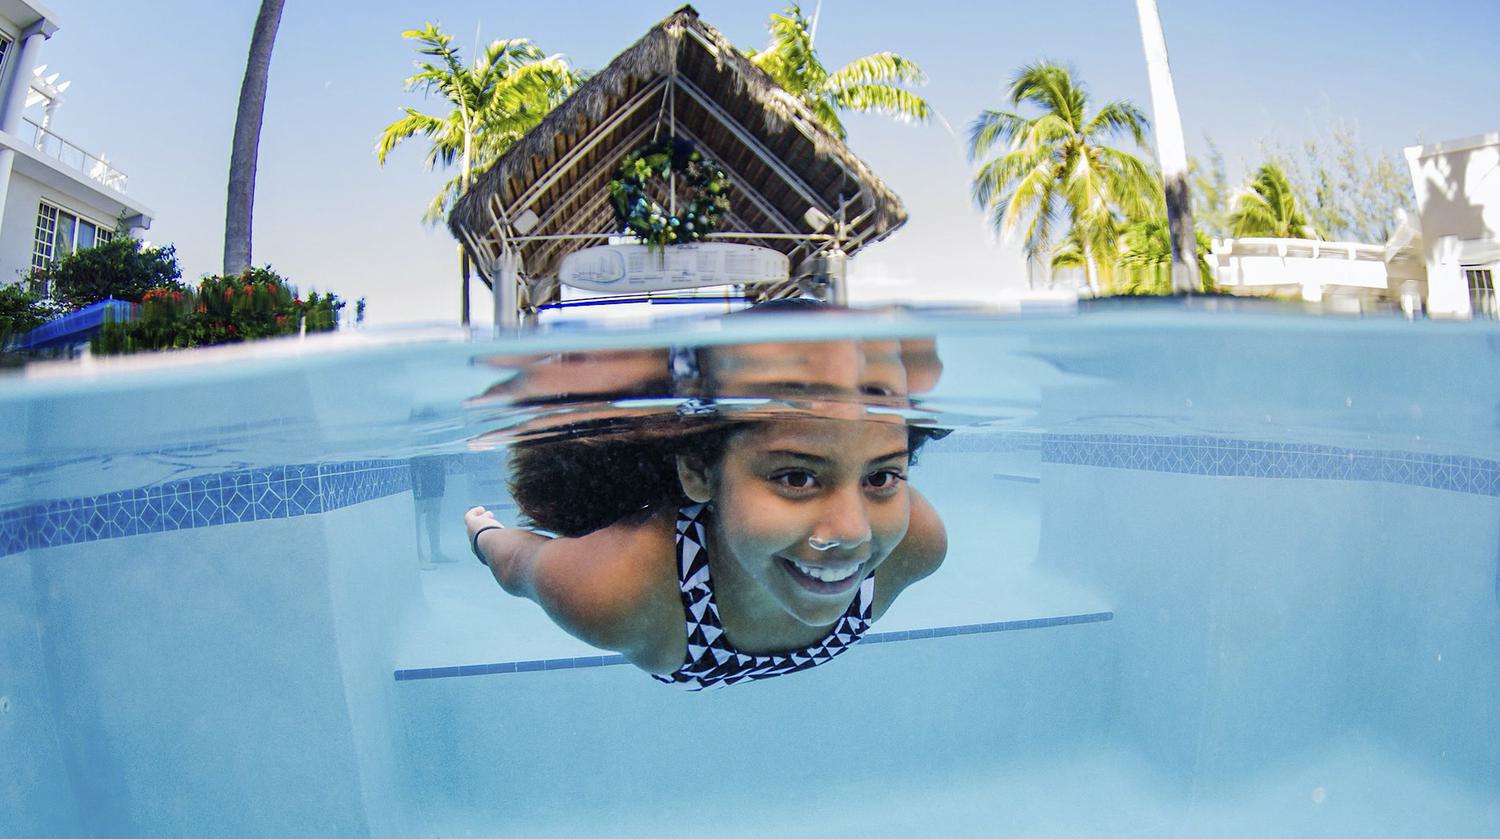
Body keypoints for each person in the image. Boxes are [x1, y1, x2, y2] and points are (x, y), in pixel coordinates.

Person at [465, 334, 948, 690]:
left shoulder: (916, 543)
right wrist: (484, 535)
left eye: (881, 477)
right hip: (682, 626)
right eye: (796, 478)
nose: (851, 533)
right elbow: (518, 566)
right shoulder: (620, 592)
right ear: (698, 471)